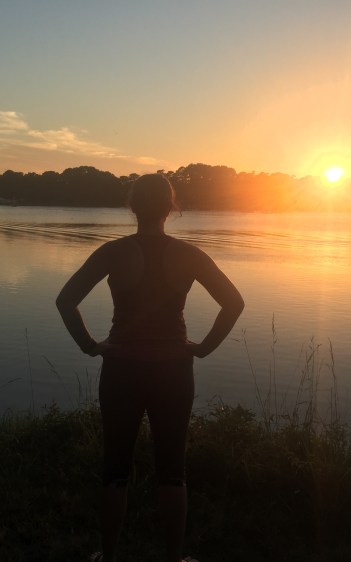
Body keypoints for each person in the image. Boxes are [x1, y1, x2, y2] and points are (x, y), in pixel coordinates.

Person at [56, 173, 244, 562]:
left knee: (115, 469)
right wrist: (204, 348)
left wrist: (90, 346)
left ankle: (109, 557)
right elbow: (234, 302)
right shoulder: (188, 254)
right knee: (173, 470)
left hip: (121, 370)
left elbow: (65, 300)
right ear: (170, 208)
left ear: (132, 206)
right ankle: (173, 558)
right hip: (174, 372)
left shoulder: (113, 252)